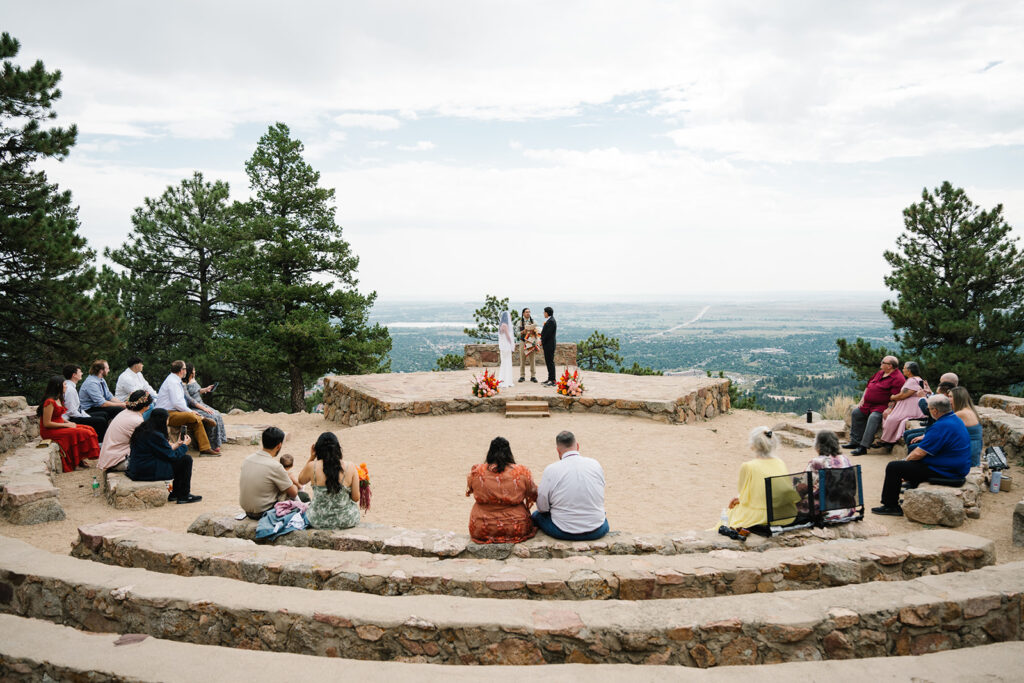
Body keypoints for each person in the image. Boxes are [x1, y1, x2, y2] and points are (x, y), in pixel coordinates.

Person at [872, 394, 972, 516]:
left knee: (894, 467)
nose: (928, 411)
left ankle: (890, 505)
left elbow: (919, 453)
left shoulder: (941, 426)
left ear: (935, 411)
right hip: (956, 466)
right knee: (912, 462)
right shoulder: (953, 419)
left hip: (948, 471)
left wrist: (905, 462)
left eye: (929, 408)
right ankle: (912, 495)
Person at [532, 430, 608, 540]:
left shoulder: (551, 469)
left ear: (558, 451)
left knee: (536, 516)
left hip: (564, 531)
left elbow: (542, 507)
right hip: (597, 529)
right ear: (577, 446)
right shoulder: (595, 464)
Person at [465, 436, 538, 544]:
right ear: (509, 452)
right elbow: (534, 494)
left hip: (481, 528)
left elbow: (470, 489)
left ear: (490, 452)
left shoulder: (477, 471)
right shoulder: (522, 471)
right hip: (516, 528)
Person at [723, 426, 798, 529]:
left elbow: (743, 492)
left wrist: (738, 499)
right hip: (785, 514)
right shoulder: (780, 462)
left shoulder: (748, 466)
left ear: (752, 446)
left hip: (763, 517)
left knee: (732, 511)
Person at [126, 408, 201, 504]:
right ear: (162, 420)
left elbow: (163, 451)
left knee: (180, 460)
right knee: (186, 460)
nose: (168, 422)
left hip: (138, 468)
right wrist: (184, 446)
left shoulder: (143, 430)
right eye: (167, 419)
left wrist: (178, 444)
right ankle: (183, 495)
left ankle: (175, 493)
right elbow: (172, 456)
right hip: (146, 471)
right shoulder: (155, 435)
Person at [843, 356, 905, 456]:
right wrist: (863, 398)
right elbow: (868, 386)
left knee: (874, 418)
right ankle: (855, 442)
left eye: (883, 362)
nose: (880, 363)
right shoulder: (880, 373)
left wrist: (889, 409)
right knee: (856, 413)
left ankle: (863, 447)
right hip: (868, 404)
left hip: (881, 406)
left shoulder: (898, 378)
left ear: (890, 366)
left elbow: (896, 397)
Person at [154, 360, 219, 455]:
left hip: (174, 412)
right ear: (181, 370)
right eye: (184, 369)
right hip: (166, 414)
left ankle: (205, 448)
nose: (186, 371)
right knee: (192, 416)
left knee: (196, 422)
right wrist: (190, 411)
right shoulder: (173, 382)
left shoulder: (174, 380)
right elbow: (177, 403)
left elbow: (179, 403)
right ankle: (203, 418)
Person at [299, 432, 361, 529]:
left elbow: (301, 480)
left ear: (317, 449)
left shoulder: (313, 466)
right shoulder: (350, 466)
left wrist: (311, 457)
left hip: (317, 520)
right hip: (346, 520)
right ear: (337, 448)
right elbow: (356, 498)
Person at [37, 375, 100, 472]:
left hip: (59, 425)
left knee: (89, 429)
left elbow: (59, 417)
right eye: (64, 384)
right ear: (58, 386)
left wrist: (69, 423)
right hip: (50, 431)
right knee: (82, 433)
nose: (66, 386)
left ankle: (79, 459)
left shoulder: (58, 399)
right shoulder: (49, 402)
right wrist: (66, 425)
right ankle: (75, 463)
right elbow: (47, 423)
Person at [239, 427, 298, 519]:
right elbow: (293, 493)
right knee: (291, 489)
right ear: (279, 445)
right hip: (263, 512)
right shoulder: (275, 466)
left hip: (246, 510)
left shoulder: (247, 459)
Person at [877, 361, 929, 452]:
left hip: (911, 407)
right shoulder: (918, 379)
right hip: (913, 406)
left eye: (904, 368)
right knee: (891, 417)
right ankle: (888, 441)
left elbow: (903, 395)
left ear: (909, 371)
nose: (903, 369)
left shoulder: (912, 381)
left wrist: (892, 397)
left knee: (891, 419)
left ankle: (887, 440)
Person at [804, 431, 855, 520]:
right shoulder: (845, 459)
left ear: (819, 446)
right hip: (847, 509)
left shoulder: (816, 462)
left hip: (825, 512)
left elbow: (803, 486)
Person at [97, 390, 153, 471]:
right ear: (145, 406)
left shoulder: (125, 413)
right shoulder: (136, 420)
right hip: (118, 461)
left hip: (111, 457)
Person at [61, 365, 109, 442]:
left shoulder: (70, 386)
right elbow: (71, 411)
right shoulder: (70, 389)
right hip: (70, 418)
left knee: (104, 414)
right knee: (100, 420)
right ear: (74, 375)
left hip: (75, 414)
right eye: (80, 372)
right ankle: (100, 443)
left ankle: (103, 440)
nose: (82, 373)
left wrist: (85, 415)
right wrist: (86, 417)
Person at [183, 363, 224, 450]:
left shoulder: (193, 379)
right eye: (193, 370)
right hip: (193, 406)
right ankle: (211, 444)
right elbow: (190, 399)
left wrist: (206, 389)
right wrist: (204, 409)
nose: (195, 371)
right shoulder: (183, 383)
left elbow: (197, 391)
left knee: (217, 414)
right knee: (212, 417)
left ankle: (218, 441)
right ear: (190, 372)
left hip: (200, 403)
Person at [904, 381, 956, 448]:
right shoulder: (945, 400)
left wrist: (922, 397)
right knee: (907, 434)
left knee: (911, 439)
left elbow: (927, 411)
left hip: (936, 433)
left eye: (938, 393)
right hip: (933, 429)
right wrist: (930, 394)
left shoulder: (947, 405)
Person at [79, 359, 125, 425]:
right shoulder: (92, 383)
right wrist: (121, 405)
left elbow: (109, 396)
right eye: (107, 368)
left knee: (120, 408)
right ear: (101, 371)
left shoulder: (101, 379)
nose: (109, 370)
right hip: (88, 409)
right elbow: (102, 403)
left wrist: (122, 403)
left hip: (96, 406)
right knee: (118, 410)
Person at [951, 387, 984, 467]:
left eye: (950, 396)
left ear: (957, 398)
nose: (947, 399)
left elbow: (941, 427)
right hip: (974, 452)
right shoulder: (970, 410)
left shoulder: (960, 414)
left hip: (967, 455)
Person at [518, 307, 539, 383]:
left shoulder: (533, 321)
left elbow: (538, 332)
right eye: (526, 312)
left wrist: (535, 331)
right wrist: (522, 332)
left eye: (529, 312)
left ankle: (533, 376)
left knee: (532, 359)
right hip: (523, 342)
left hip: (531, 342)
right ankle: (522, 376)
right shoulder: (519, 322)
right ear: (523, 313)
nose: (528, 313)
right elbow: (516, 333)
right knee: (522, 359)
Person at [496, 311, 516, 388]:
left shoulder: (501, 325)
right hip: (506, 346)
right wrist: (512, 343)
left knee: (504, 362)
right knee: (507, 362)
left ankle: (503, 379)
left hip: (503, 346)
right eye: (509, 316)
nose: (510, 317)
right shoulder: (505, 325)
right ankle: (507, 381)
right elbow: (508, 336)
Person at [541, 306, 557, 386]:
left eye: (544, 312)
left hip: (549, 345)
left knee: (550, 362)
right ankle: (549, 378)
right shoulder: (550, 320)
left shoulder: (551, 321)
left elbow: (548, 334)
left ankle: (553, 380)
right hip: (547, 344)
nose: (543, 314)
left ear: (547, 313)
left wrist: (541, 340)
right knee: (548, 362)